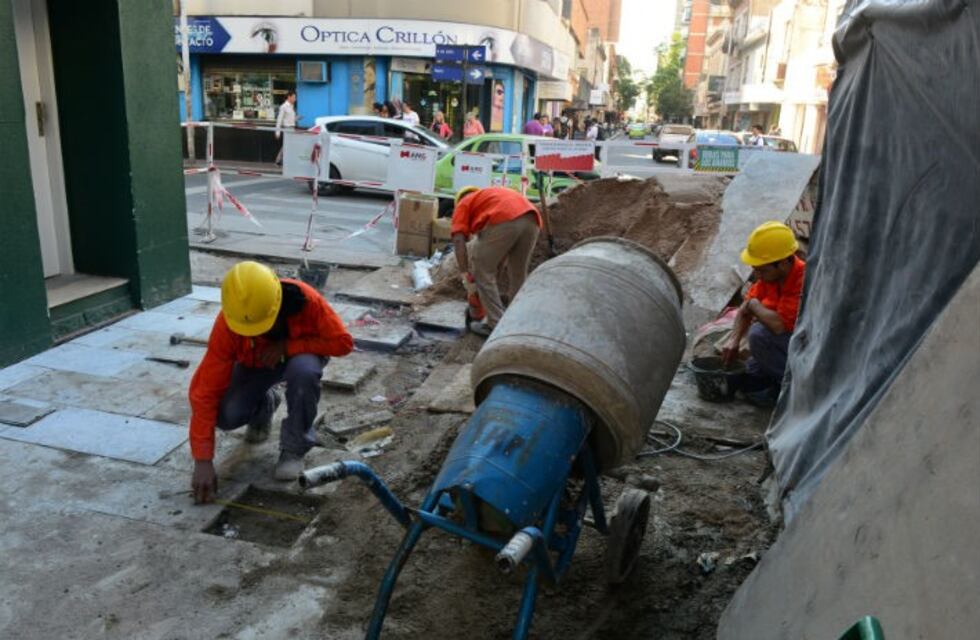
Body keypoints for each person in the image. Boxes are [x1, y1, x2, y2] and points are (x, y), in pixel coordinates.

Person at [189, 261, 354, 503]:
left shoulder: (307, 301)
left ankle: (293, 449)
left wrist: (289, 347)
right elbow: (205, 392)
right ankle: (265, 404)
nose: (253, 332)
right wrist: (202, 460)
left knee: (305, 372)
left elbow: (343, 343)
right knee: (226, 415)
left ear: (276, 303)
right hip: (256, 366)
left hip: (299, 359)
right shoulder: (229, 322)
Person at [721, 222, 806, 406]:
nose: (757, 275)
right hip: (785, 343)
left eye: (762, 269)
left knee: (759, 335)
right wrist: (734, 340)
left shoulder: (804, 279)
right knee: (750, 374)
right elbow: (744, 309)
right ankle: (776, 380)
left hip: (809, 345)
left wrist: (753, 305)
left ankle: (798, 388)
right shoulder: (770, 276)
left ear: (783, 263)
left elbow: (778, 326)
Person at [451, 186, 542, 336]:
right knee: (518, 274)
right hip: (532, 219)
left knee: (481, 271)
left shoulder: (463, 203)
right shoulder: (490, 197)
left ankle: (495, 324)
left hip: (505, 218)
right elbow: (498, 257)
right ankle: (515, 321)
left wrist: (465, 274)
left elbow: (458, 240)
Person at [274, 91, 298, 166]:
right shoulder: (284, 107)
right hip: (287, 128)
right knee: (287, 145)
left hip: (292, 127)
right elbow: (279, 120)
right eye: (294, 97)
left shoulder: (291, 106)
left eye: (295, 97)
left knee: (288, 145)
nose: (295, 99)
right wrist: (277, 132)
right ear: (289, 97)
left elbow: (290, 118)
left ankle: (280, 161)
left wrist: (296, 118)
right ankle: (279, 160)